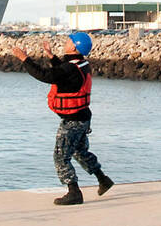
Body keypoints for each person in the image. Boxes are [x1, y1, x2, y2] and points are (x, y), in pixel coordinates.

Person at [11, 31, 114, 205]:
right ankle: (103, 179)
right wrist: (51, 56)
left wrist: (24, 59)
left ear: (74, 46)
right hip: (83, 118)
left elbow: (46, 75)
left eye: (68, 41)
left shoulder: (71, 68)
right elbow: (64, 71)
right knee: (79, 151)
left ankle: (74, 192)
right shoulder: (82, 64)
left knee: (60, 156)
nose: (66, 42)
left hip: (73, 121)